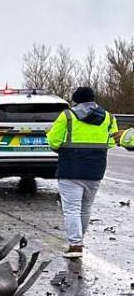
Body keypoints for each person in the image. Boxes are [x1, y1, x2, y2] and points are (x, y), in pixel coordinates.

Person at [46, 86, 127, 259]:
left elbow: (54, 142)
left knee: (72, 209)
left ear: (75, 100)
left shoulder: (67, 116)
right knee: (85, 207)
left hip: (70, 169)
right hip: (96, 169)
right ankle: (78, 241)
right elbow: (112, 142)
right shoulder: (108, 118)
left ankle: (75, 245)